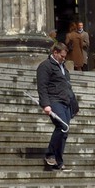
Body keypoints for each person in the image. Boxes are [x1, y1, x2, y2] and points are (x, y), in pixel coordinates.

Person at [36, 42, 79, 172]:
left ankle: (58, 162)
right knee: (62, 126)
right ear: (55, 53)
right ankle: (50, 154)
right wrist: (45, 104)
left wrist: (74, 105)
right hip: (54, 100)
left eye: (65, 56)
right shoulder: (45, 66)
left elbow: (68, 87)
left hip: (66, 102)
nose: (64, 58)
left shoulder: (64, 68)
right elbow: (42, 86)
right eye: (62, 56)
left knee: (64, 132)